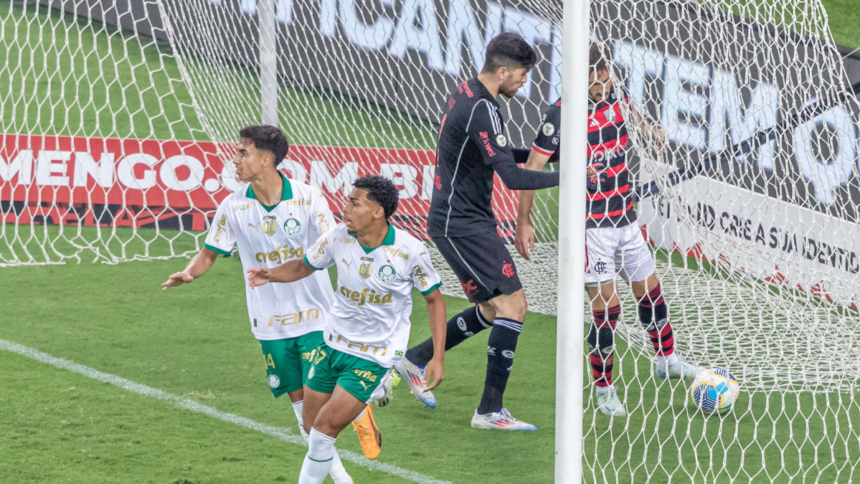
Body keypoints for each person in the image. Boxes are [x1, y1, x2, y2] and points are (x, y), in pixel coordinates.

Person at [160, 126, 378, 483]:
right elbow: (210, 252)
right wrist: (189, 273)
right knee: (303, 417)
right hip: (270, 324)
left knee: (317, 405)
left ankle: (357, 409)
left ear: (266, 158)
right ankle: (345, 472)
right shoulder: (233, 206)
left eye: (243, 152)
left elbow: (332, 246)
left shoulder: (308, 198)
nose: (235, 159)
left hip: (316, 319)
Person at [514, 43, 703, 417]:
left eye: (604, 78)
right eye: (593, 80)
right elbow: (532, 167)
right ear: (577, 77)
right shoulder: (560, 115)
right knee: (608, 310)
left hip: (625, 217)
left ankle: (666, 359)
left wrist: (652, 132)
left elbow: (632, 116)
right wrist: (524, 220)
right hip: (589, 227)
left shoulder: (617, 93)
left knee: (650, 290)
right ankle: (604, 391)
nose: (601, 86)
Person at [395, 33, 560, 431]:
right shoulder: (482, 109)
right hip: (459, 224)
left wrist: (550, 157)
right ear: (502, 71)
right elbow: (511, 176)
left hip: (468, 219)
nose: (525, 82)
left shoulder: (470, 93)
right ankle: (489, 411)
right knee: (513, 305)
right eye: (522, 75)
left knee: (492, 309)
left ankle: (415, 359)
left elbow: (499, 152)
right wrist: (569, 178)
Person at [246, 175, 447, 484]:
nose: (345, 209)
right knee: (310, 425)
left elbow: (434, 300)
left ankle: (372, 391)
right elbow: (304, 265)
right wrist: (270, 274)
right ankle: (365, 406)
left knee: (325, 428)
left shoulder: (410, 251)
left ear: (378, 212)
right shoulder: (337, 237)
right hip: (332, 345)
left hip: (373, 355)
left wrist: (437, 357)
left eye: (354, 203)